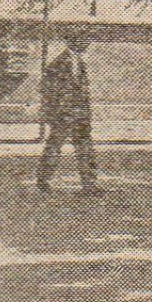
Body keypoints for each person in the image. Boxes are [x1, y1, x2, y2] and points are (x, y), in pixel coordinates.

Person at [36, 32, 101, 195]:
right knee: (55, 146)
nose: (88, 43)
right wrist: (54, 112)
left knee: (85, 148)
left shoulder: (80, 62)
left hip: (80, 114)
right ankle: (43, 181)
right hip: (63, 115)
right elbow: (47, 89)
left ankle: (89, 184)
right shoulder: (57, 63)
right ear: (73, 41)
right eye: (84, 40)